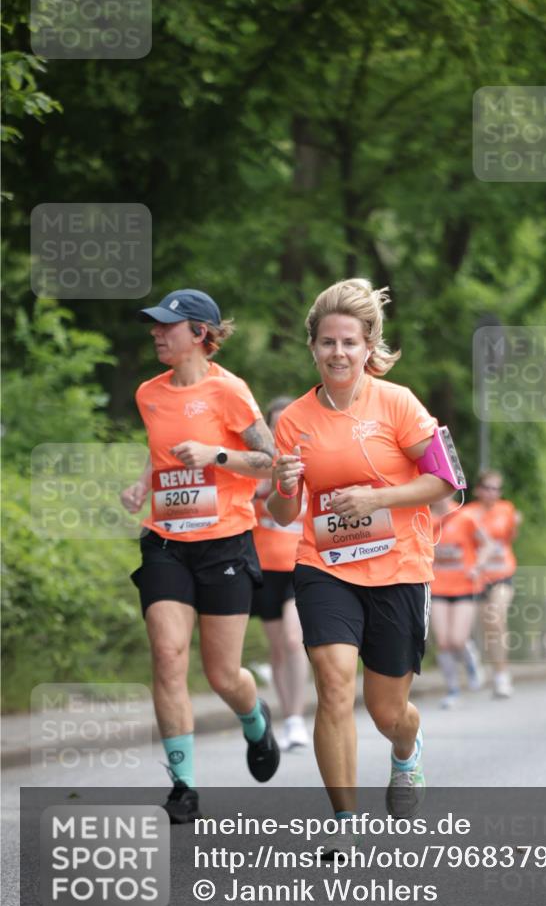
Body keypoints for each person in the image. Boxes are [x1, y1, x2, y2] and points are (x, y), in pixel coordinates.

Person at [267, 278, 455, 836]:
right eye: (328, 342)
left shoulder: (398, 403)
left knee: (387, 712)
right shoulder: (293, 419)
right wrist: (284, 484)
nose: (339, 353)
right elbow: (282, 512)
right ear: (312, 347)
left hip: (399, 567)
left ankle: (406, 748)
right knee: (332, 683)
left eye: (350, 342)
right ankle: (345, 820)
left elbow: (446, 481)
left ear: (368, 345)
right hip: (324, 566)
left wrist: (378, 498)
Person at [120, 288, 280, 824]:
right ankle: (183, 785)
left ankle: (255, 720)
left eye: (167, 326)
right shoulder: (149, 393)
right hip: (166, 540)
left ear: (199, 334)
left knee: (222, 675)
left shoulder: (229, 390)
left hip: (224, 542)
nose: (156, 333)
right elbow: (161, 451)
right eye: (155, 325)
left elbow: (269, 461)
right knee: (168, 656)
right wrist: (143, 484)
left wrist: (216, 455)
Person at [252, 396, 310, 751]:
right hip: (264, 567)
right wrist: (256, 491)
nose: (281, 429)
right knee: (276, 649)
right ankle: (288, 717)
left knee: (293, 639)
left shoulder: (310, 463)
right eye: (275, 424)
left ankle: (298, 717)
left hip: (300, 565)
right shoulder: (257, 466)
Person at [430, 499, 489, 708]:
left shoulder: (465, 517)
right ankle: (452, 689)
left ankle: (472, 664)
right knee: (443, 642)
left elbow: (487, 545)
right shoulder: (423, 516)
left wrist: (478, 566)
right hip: (437, 586)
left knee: (457, 639)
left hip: (464, 585)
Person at [468, 471, 522, 699]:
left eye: (497, 489)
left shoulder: (507, 509)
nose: (492, 493)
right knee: (484, 627)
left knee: (496, 619)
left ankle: (501, 676)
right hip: (478, 577)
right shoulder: (468, 513)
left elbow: (510, 538)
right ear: (478, 490)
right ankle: (483, 666)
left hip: (502, 572)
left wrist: (516, 524)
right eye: (488, 488)